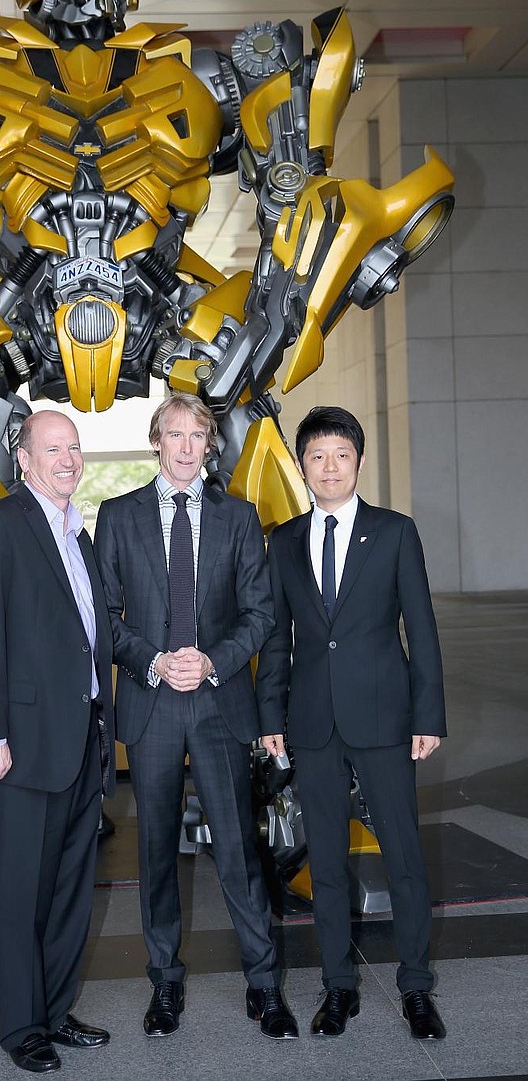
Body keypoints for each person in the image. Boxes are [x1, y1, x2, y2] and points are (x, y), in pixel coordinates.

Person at [94, 392, 298, 1040]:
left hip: (217, 701)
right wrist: (155, 661)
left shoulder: (239, 517)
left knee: (238, 851)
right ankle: (163, 986)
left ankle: (264, 986)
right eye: (174, 434)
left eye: (198, 436)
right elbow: (105, 616)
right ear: (156, 441)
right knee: (154, 852)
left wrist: (210, 662)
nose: (186, 447)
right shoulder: (118, 516)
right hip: (152, 703)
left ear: (210, 444)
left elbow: (260, 613)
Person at [258, 405, 447, 1041]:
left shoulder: (394, 533)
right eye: (317, 456)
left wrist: (428, 715)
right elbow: (278, 639)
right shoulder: (283, 541)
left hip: (385, 718)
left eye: (341, 455)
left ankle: (416, 987)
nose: (329, 466)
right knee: (328, 864)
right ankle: (338, 988)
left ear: (358, 463)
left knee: (403, 856)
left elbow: (420, 628)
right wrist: (270, 715)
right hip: (311, 723)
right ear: (303, 466)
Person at [0, 409, 115, 1074]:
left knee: (72, 888)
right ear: (23, 458)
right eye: (52, 448)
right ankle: (22, 1028)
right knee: (21, 894)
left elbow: (85, 636)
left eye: (74, 447)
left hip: (79, 743)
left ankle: (54, 1010)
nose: (67, 458)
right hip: (17, 749)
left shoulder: (81, 534)